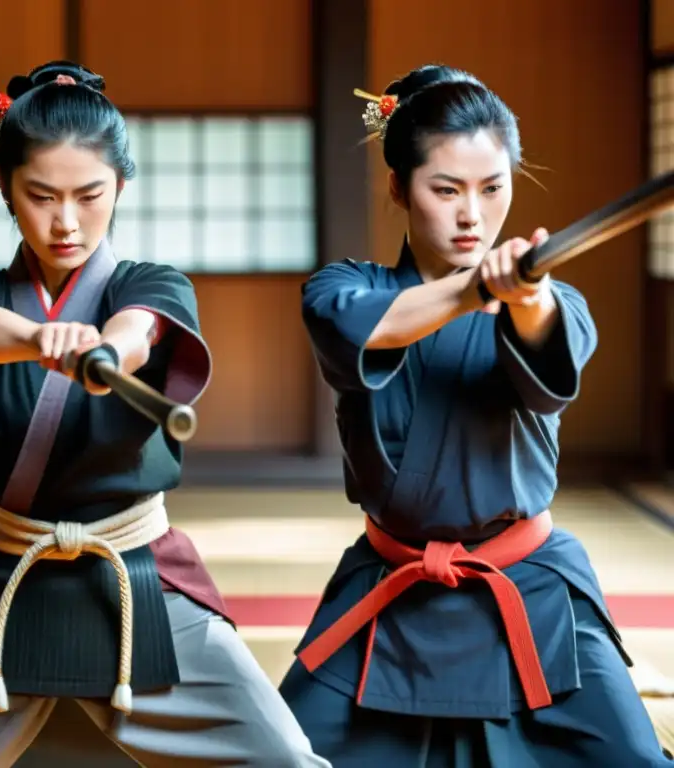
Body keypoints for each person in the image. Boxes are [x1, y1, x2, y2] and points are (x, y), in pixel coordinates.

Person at [0, 60, 331, 767]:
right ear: (7, 190)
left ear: (120, 187)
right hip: (8, 576)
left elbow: (140, 332)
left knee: (285, 758)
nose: (65, 221)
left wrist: (106, 348)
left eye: (88, 195)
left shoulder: (151, 285)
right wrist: (38, 339)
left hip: (138, 571)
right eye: (40, 196)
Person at [278, 64, 674, 766]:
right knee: (278, 757)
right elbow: (367, 329)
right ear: (399, 186)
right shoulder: (342, 288)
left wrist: (525, 297)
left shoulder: (553, 301)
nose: (473, 215)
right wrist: (474, 289)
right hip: (390, 587)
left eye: (493, 189)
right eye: (446, 189)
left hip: (531, 587)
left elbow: (549, 359)